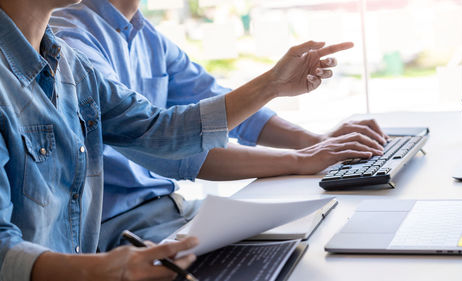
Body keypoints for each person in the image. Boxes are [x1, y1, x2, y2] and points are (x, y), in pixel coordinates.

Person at [0, 0, 351, 280]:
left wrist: (274, 85)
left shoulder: (68, 64)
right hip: (111, 247)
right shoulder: (66, 45)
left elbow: (159, 130)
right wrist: (101, 269)